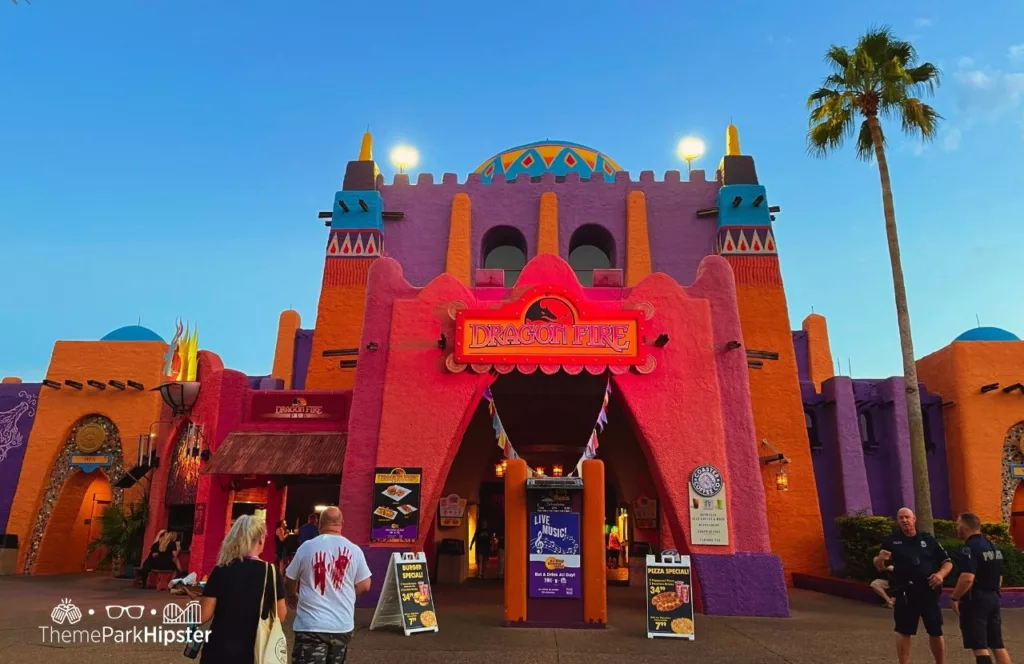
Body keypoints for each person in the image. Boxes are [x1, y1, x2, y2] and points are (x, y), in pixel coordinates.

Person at [286, 506, 372, 664]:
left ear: (320, 524)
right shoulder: (354, 550)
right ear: (342, 524)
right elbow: (365, 585)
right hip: (341, 626)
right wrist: (350, 596)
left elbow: (289, 578)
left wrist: (292, 596)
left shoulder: (307, 547)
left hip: (311, 626)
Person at [198, 515, 287, 664]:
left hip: (218, 650)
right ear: (260, 539)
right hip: (254, 650)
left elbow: (203, 616)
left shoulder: (221, 569)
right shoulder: (271, 572)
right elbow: (281, 615)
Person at [873, 507, 953, 664]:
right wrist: (880, 559)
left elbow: (947, 562)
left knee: (935, 631)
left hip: (928, 592)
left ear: (914, 519)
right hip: (905, 593)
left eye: (907, 517)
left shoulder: (928, 539)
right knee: (903, 631)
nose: (904, 520)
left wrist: (940, 575)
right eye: (900, 518)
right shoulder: (892, 540)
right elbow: (879, 566)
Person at [950, 512, 1011, 664]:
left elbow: (967, 578)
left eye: (958, 525)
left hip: (976, 600)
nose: (957, 528)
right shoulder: (992, 546)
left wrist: (955, 597)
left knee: (979, 646)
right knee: (997, 644)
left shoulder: (969, 548)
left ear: (964, 527)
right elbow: (1000, 577)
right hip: (993, 598)